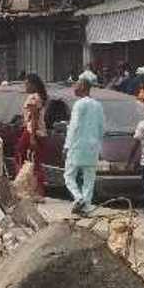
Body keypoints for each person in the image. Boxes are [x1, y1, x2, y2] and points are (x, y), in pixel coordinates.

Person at [64, 77, 105, 216]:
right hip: (93, 147)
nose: (74, 88)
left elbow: (74, 126)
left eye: (77, 85)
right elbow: (101, 128)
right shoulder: (98, 105)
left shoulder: (79, 104)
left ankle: (78, 198)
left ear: (84, 88)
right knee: (89, 178)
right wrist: (99, 146)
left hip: (77, 145)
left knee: (69, 175)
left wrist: (67, 145)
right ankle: (86, 206)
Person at [17, 74, 48, 195]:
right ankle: (35, 189)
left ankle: (28, 188)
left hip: (33, 131)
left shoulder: (33, 98)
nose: (25, 86)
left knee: (23, 157)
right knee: (35, 161)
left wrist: (32, 137)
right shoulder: (38, 97)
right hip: (37, 131)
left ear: (33, 85)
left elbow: (34, 118)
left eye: (26, 84)